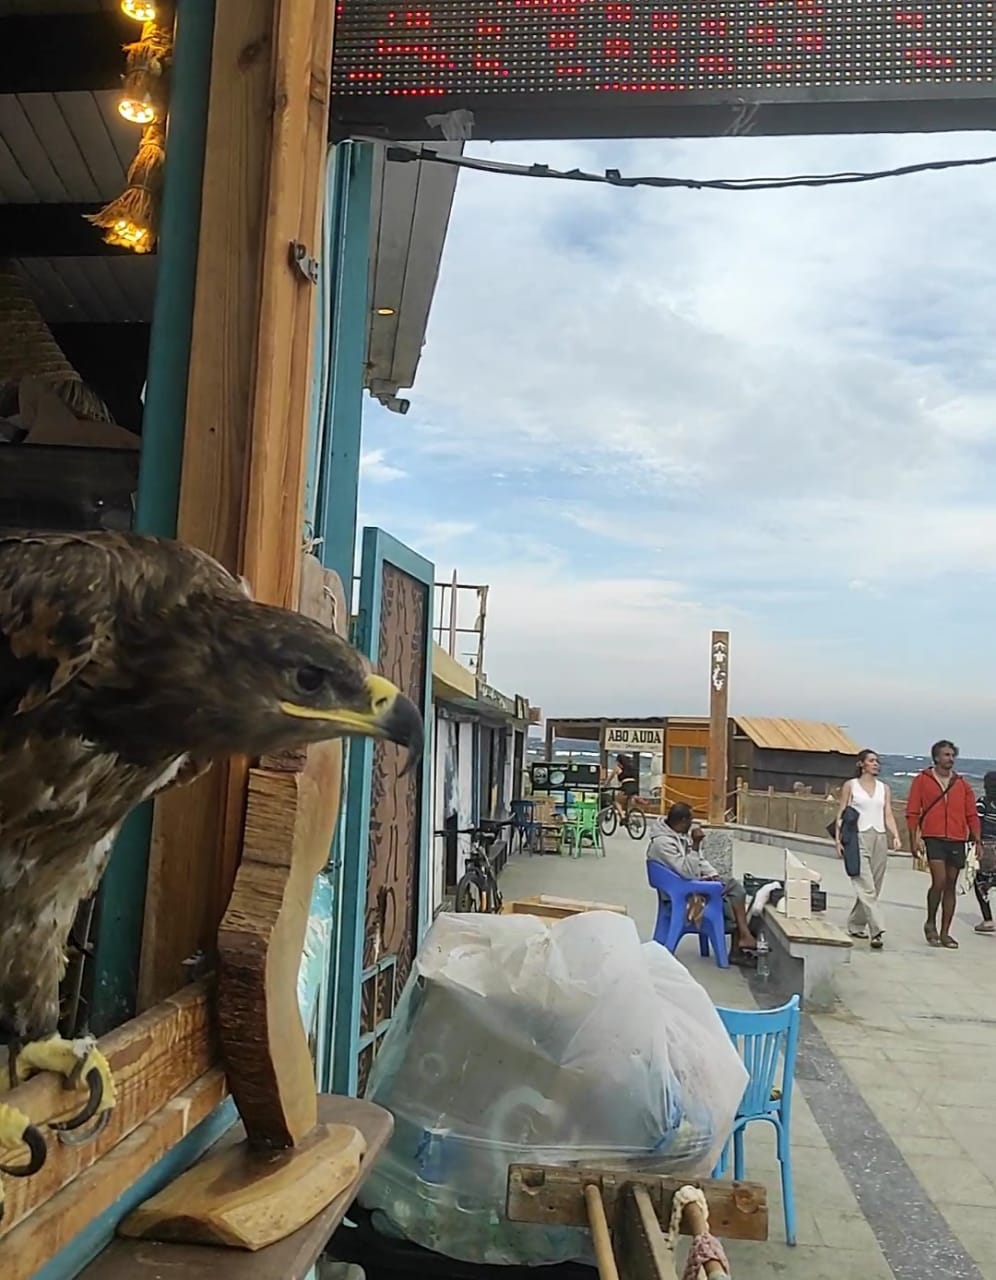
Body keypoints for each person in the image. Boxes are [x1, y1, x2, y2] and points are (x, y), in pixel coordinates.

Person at [647, 802, 757, 957]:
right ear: (683, 820)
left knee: (732, 891)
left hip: (685, 885)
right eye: (691, 820)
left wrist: (713, 874)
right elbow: (687, 872)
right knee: (732, 892)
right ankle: (742, 939)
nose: (692, 824)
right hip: (679, 894)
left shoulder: (677, 836)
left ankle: (741, 941)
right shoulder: (663, 843)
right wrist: (696, 845)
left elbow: (697, 861)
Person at [905, 740, 981, 949]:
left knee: (950, 885)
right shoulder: (922, 780)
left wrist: (977, 839)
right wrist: (913, 840)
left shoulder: (962, 784)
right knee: (939, 881)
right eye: (946, 755)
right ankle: (930, 922)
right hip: (934, 837)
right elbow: (912, 811)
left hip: (957, 838)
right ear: (937, 757)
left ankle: (945, 932)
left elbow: (971, 814)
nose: (951, 758)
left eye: (952, 755)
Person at [834, 749, 901, 951]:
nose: (876, 764)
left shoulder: (884, 788)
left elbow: (887, 813)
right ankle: (877, 930)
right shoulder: (851, 785)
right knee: (866, 885)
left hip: (879, 837)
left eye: (877, 761)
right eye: (871, 761)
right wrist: (838, 840)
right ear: (861, 764)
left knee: (874, 886)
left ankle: (855, 924)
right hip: (858, 837)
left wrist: (895, 835)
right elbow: (842, 813)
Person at [974, 772, 996, 934]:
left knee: (980, 883)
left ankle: (988, 920)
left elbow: (976, 824)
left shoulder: (983, 802)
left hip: (987, 846)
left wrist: (975, 842)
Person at [610, 752, 640, 819]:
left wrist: (605, 786)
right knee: (629, 801)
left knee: (616, 801)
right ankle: (629, 817)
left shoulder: (617, 768)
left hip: (626, 786)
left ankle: (623, 816)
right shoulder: (630, 767)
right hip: (634, 786)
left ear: (618, 761)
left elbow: (610, 778)